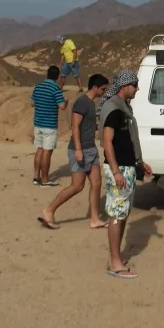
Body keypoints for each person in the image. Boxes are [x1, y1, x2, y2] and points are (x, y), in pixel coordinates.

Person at [97, 70, 153, 279]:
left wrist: (139, 163)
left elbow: (126, 140)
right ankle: (115, 262)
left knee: (122, 213)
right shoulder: (114, 109)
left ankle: (116, 257)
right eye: (135, 85)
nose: (137, 89)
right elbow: (107, 142)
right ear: (125, 86)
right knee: (117, 214)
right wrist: (116, 171)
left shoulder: (123, 108)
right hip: (118, 169)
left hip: (126, 167)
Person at [38, 74, 110, 230]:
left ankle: (95, 218)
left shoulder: (91, 104)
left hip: (91, 148)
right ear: (95, 87)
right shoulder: (82, 102)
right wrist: (78, 150)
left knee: (97, 183)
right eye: (103, 89)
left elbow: (85, 126)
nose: (104, 92)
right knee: (77, 186)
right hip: (80, 149)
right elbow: (75, 126)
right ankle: (49, 210)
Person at [30, 66, 68, 187]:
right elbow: (62, 106)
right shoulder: (55, 89)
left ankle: (36, 177)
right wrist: (66, 101)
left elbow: (32, 103)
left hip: (38, 124)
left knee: (39, 150)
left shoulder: (38, 86)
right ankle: (45, 179)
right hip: (49, 125)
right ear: (57, 77)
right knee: (47, 152)